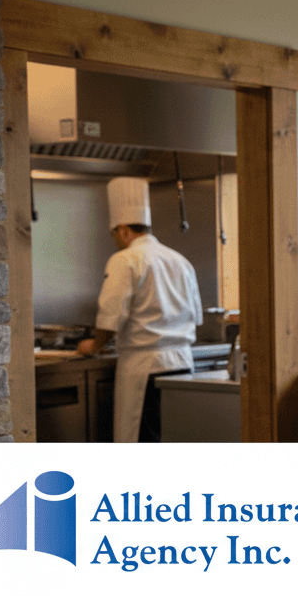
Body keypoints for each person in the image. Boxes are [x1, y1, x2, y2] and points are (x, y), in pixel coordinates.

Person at [77, 176, 204, 443]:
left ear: (123, 230)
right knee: (174, 442)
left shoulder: (125, 259)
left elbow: (112, 316)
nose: (115, 240)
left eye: (114, 234)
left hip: (145, 368)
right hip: (183, 363)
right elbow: (197, 315)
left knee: (144, 445)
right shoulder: (180, 260)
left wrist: (94, 346)